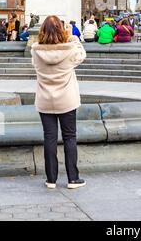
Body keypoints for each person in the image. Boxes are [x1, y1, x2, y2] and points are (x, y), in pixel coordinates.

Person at [31, 16, 87, 190]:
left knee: (49, 138)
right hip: (67, 100)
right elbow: (82, 55)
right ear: (61, 31)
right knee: (70, 137)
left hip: (45, 100)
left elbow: (35, 65)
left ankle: (51, 179)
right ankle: (73, 179)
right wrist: (73, 37)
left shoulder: (35, 50)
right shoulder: (70, 49)